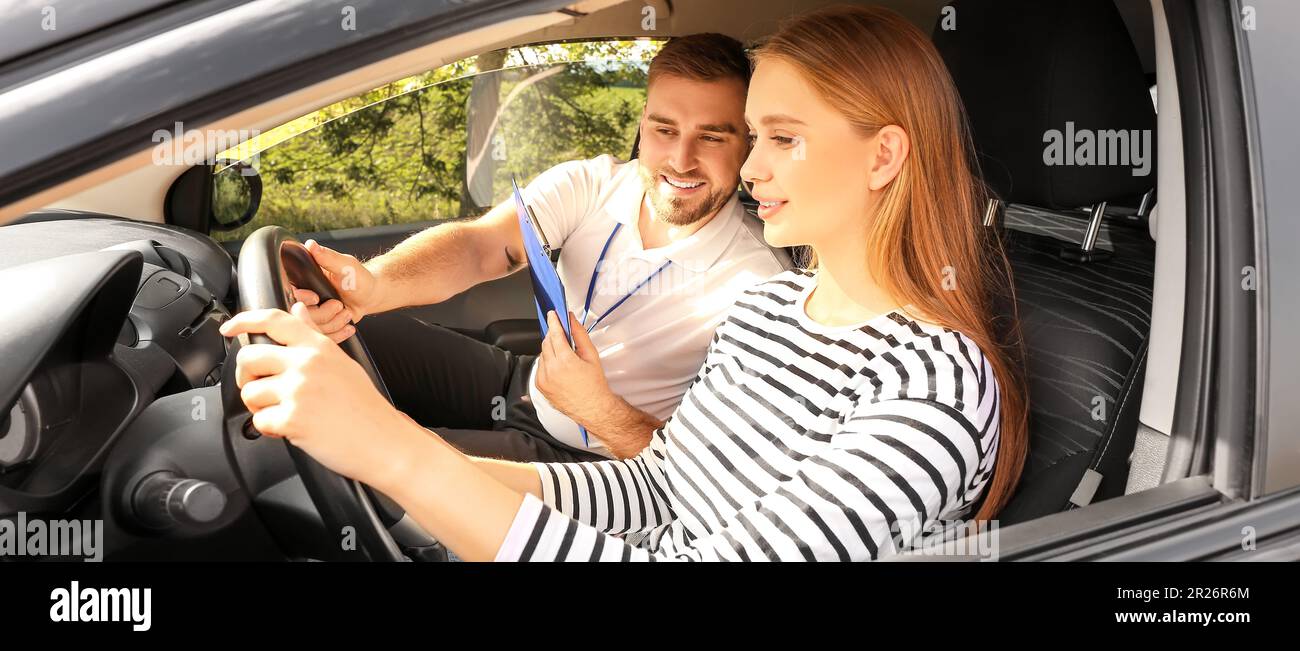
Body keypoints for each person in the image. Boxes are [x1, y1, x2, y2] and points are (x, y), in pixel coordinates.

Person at [220, 5, 1029, 561]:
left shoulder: (933, 388)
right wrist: (403, 472)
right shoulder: (772, 311)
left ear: (883, 156)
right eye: (755, 138)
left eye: (782, 138)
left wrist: (395, 455)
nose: (748, 168)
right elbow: (656, 488)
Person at [290, 33, 788, 464]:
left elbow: (707, 477)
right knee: (351, 331)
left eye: (711, 138)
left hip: (593, 461)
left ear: (746, 143)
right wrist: (374, 285)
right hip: (522, 385)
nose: (681, 160)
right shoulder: (591, 183)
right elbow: (481, 246)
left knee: (359, 455)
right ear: (642, 126)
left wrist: (597, 408)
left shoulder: (760, 285)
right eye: (664, 130)